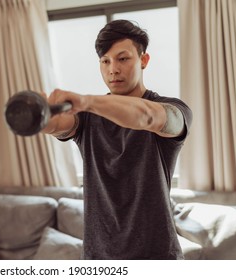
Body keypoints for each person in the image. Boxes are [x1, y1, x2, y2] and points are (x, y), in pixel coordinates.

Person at [41, 19, 192, 259]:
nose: (113, 69)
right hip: (97, 258)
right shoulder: (88, 118)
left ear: (144, 60)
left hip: (157, 257)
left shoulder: (174, 109)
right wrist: (43, 117)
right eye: (105, 61)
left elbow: (147, 117)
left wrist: (87, 101)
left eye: (122, 59)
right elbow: (62, 125)